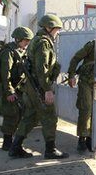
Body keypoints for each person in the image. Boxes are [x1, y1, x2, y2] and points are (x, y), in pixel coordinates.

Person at [9, 14, 68, 159]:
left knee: (30, 116)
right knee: (49, 117)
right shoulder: (44, 42)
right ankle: (50, 150)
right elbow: (42, 69)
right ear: (48, 28)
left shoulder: (37, 40)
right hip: (39, 86)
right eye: (56, 29)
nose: (58, 32)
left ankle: (15, 147)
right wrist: (47, 89)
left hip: (31, 86)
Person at [0, 26, 33, 151]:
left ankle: (12, 140)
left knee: (19, 114)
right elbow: (5, 74)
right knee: (11, 114)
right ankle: (7, 142)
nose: (27, 43)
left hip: (20, 88)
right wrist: (9, 92)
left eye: (28, 41)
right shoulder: (9, 52)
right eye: (25, 40)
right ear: (18, 39)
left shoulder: (22, 51)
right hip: (11, 88)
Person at [67, 39, 96, 153]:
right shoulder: (92, 45)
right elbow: (76, 58)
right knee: (86, 108)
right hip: (86, 81)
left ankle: (93, 137)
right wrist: (71, 75)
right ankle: (82, 138)